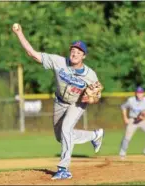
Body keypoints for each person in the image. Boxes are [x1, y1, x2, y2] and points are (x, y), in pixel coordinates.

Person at [12, 24, 104, 180]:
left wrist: (91, 98)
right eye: (73, 50)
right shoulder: (58, 61)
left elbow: (97, 95)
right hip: (60, 101)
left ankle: (64, 168)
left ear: (84, 56)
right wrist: (19, 33)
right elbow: (32, 54)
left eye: (78, 52)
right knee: (61, 136)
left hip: (77, 104)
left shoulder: (90, 75)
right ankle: (94, 135)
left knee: (66, 128)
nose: (74, 53)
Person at [119, 86, 145, 159]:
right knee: (127, 138)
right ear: (135, 93)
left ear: (143, 93)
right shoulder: (131, 100)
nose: (139, 94)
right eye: (138, 93)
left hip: (144, 120)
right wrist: (125, 118)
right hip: (133, 120)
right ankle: (122, 153)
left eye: (141, 93)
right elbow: (123, 107)